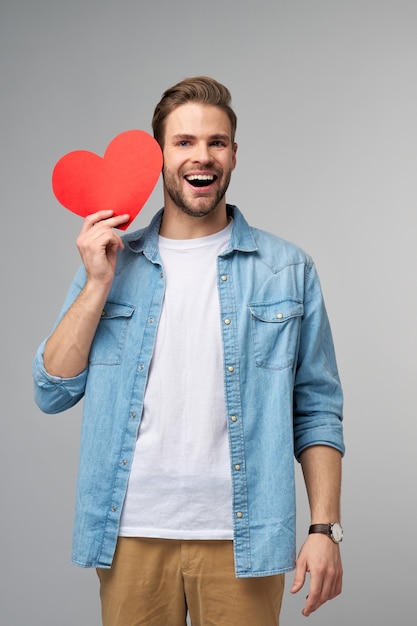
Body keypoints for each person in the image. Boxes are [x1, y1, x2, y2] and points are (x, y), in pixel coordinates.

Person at [33, 76, 345, 626]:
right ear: (158, 156)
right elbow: (51, 389)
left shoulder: (287, 269)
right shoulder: (111, 264)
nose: (201, 156)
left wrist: (324, 529)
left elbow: (317, 411)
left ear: (233, 154)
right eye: (184, 142)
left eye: (216, 142)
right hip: (129, 533)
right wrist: (96, 283)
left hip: (244, 537)